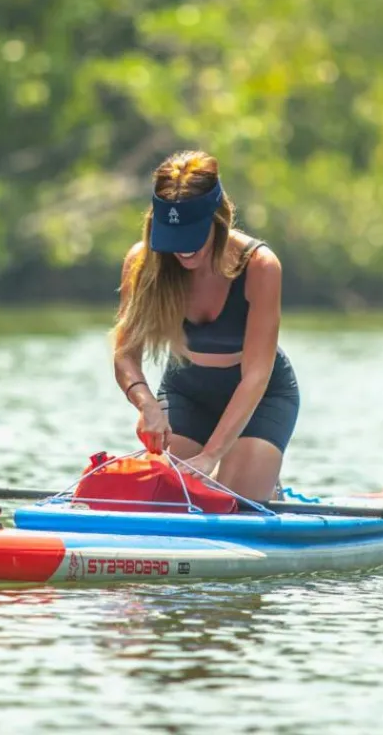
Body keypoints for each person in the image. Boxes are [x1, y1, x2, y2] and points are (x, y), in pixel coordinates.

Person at [112, 150, 300, 502]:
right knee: (164, 499)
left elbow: (256, 375)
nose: (182, 250)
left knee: (229, 500)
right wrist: (146, 404)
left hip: (260, 397)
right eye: (173, 235)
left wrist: (211, 455)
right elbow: (125, 355)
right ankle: (227, 473)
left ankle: (262, 484)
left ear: (219, 219)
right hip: (186, 392)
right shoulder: (142, 261)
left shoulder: (260, 266)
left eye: (192, 234)